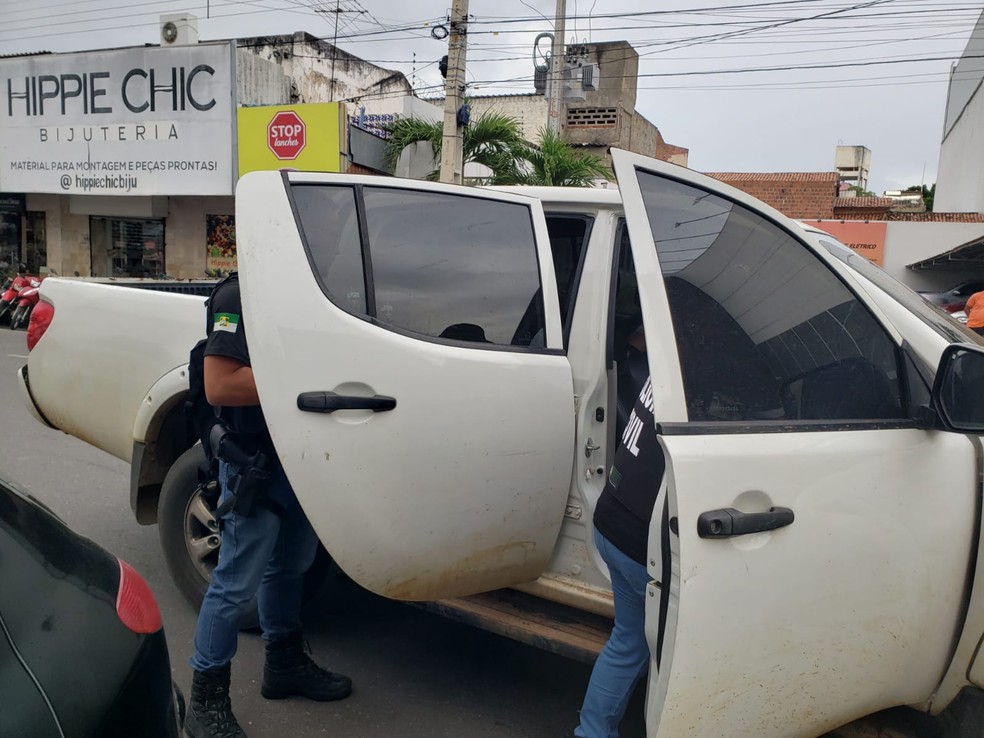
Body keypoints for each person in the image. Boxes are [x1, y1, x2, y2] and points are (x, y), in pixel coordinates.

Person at [186, 273, 352, 738]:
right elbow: (220, 384)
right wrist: (314, 380)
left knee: (292, 564)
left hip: (297, 457)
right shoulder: (237, 295)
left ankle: (284, 664)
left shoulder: (306, 290)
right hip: (254, 459)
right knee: (236, 583)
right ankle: (205, 703)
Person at [575, 372, 665, 738]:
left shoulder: (666, 356)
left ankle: (591, 733)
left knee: (628, 641)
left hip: (610, 519)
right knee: (680, 651)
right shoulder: (706, 374)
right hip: (643, 545)